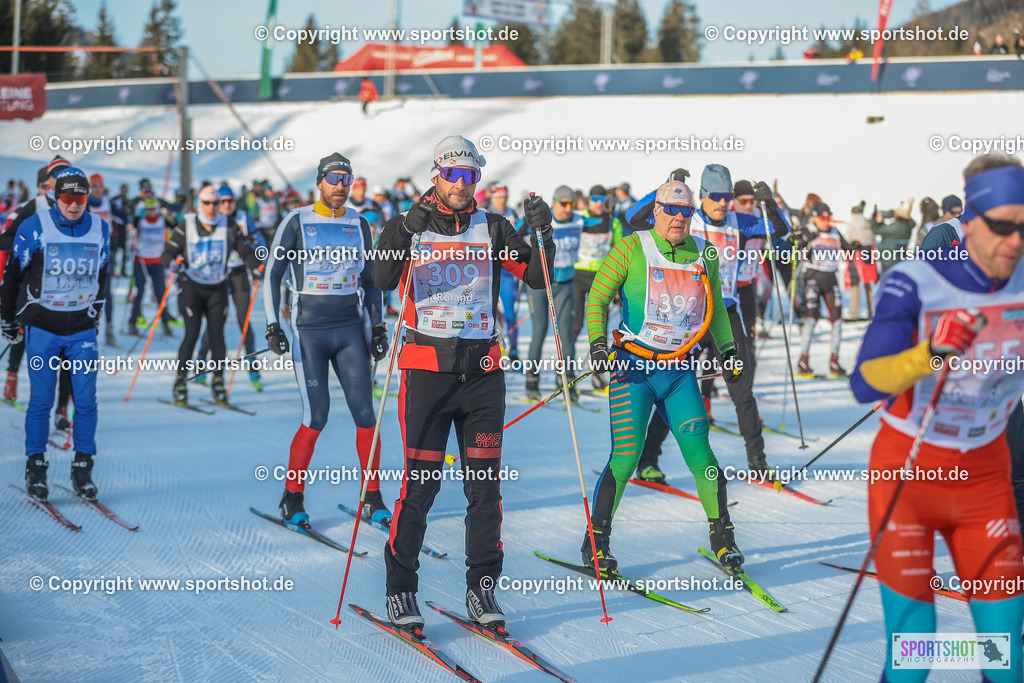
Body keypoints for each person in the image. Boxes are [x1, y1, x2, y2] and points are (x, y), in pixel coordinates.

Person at [850, 153, 1024, 682]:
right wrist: (931, 350)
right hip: (910, 473)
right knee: (914, 651)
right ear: (969, 220)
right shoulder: (918, 279)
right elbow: (864, 382)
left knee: (1004, 654)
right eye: (1002, 227)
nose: (1016, 241)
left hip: (986, 477)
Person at [372, 135, 553, 631]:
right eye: (453, 174)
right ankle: (400, 590)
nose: (461, 183)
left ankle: (482, 591)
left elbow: (538, 277)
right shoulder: (409, 225)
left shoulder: (493, 227)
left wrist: (544, 235)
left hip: (483, 375)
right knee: (421, 487)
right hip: (427, 373)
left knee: (485, 489)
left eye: (471, 175)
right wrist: (403, 231)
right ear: (436, 175)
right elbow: (383, 279)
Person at [585, 180, 746, 570]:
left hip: (677, 371)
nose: (679, 218)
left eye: (686, 211)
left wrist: (728, 350)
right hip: (634, 370)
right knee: (625, 458)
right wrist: (597, 344)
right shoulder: (631, 247)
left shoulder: (703, 252)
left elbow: (717, 311)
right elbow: (597, 296)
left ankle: (722, 537)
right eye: (671, 210)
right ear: (656, 210)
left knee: (701, 452)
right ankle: (596, 543)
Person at [627, 165, 789, 482]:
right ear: (702, 195)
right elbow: (634, 219)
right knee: (675, 386)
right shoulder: (685, 218)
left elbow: (777, 231)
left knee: (743, 390)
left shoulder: (738, 222)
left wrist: (770, 204)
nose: (723, 203)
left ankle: (758, 464)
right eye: (716, 197)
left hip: (723, 315)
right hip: (687, 314)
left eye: (727, 197)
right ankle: (648, 461)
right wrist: (667, 186)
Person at [0, 167, 110, 501]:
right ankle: (36, 466)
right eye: (67, 198)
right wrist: (7, 318)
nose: (74, 205)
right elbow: (14, 274)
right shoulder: (35, 226)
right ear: (55, 196)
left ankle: (83, 467)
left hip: (80, 331)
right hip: (43, 327)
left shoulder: (102, 229)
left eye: (80, 198)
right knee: (42, 401)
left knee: (86, 401)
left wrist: (96, 315)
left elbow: (103, 275)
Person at [161, 186, 260, 405]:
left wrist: (256, 268)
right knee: (192, 334)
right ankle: (180, 383)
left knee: (217, 336)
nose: (212, 208)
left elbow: (246, 252)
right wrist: (172, 264)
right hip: (191, 287)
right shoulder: (186, 224)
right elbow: (168, 252)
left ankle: (218, 384)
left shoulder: (229, 225)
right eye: (207, 203)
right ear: (199, 204)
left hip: (217, 287)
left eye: (216, 203)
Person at [1, 157, 72, 404]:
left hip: (63, 288)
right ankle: (12, 378)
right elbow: (7, 242)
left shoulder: (78, 206)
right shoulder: (30, 207)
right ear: (45, 183)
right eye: (46, 183)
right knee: (23, 334)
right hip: (29, 284)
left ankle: (59, 408)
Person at [196, 187, 265, 390]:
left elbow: (259, 239)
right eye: (222, 201)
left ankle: (253, 368)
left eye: (229, 201)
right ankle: (201, 363)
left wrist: (257, 252)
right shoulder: (213, 219)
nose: (226, 205)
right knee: (215, 319)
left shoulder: (243, 217)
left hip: (239, 274)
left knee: (244, 320)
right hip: (218, 275)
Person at [520, 184, 580, 401]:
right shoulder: (540, 218)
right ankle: (532, 381)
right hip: (539, 284)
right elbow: (514, 234)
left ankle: (566, 379)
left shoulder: (579, 220)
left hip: (565, 284)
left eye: (572, 204)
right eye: (564, 204)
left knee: (567, 335)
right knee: (539, 332)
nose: (568, 208)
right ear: (554, 203)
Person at [572, 184, 624, 391]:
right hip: (578, 274)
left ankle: (598, 374)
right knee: (575, 325)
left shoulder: (613, 221)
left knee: (600, 330)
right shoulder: (580, 218)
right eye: (595, 199)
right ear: (588, 200)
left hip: (602, 277)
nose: (599, 204)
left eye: (602, 200)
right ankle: (565, 371)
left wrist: (619, 284)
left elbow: (618, 252)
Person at [793, 202, 854, 377]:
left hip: (831, 277)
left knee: (838, 320)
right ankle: (803, 361)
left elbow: (847, 247)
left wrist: (857, 246)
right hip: (813, 276)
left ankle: (834, 361)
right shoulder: (809, 229)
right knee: (811, 318)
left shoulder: (835, 231)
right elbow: (798, 250)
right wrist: (805, 240)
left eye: (829, 217)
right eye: (823, 218)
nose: (826, 221)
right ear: (815, 217)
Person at [87, 173, 127, 346]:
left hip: (105, 253)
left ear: (103, 188)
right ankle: (86, 327)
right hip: (87, 254)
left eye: (99, 186)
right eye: (94, 186)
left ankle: (109, 328)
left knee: (106, 291)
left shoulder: (109, 203)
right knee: (87, 291)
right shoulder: (84, 203)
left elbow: (125, 218)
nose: (97, 189)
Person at [129, 198, 177, 337]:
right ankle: (132, 322)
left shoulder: (162, 220)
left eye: (153, 209)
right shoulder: (140, 220)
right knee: (140, 292)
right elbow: (132, 223)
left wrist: (172, 214)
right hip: (141, 261)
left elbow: (176, 225)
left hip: (157, 261)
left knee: (160, 293)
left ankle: (166, 323)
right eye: (148, 209)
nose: (151, 212)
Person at [489, 182, 521, 360]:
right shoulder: (485, 214)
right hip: (490, 269)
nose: (502, 201)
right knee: (489, 310)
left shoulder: (513, 214)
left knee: (510, 311)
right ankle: (493, 347)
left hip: (508, 270)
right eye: (499, 198)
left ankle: (514, 349)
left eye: (505, 198)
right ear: (493, 198)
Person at [839, 200, 877, 320]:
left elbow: (846, 240)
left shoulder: (852, 224)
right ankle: (872, 311)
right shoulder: (867, 223)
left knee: (855, 284)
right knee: (868, 284)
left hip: (855, 256)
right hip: (868, 255)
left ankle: (854, 313)